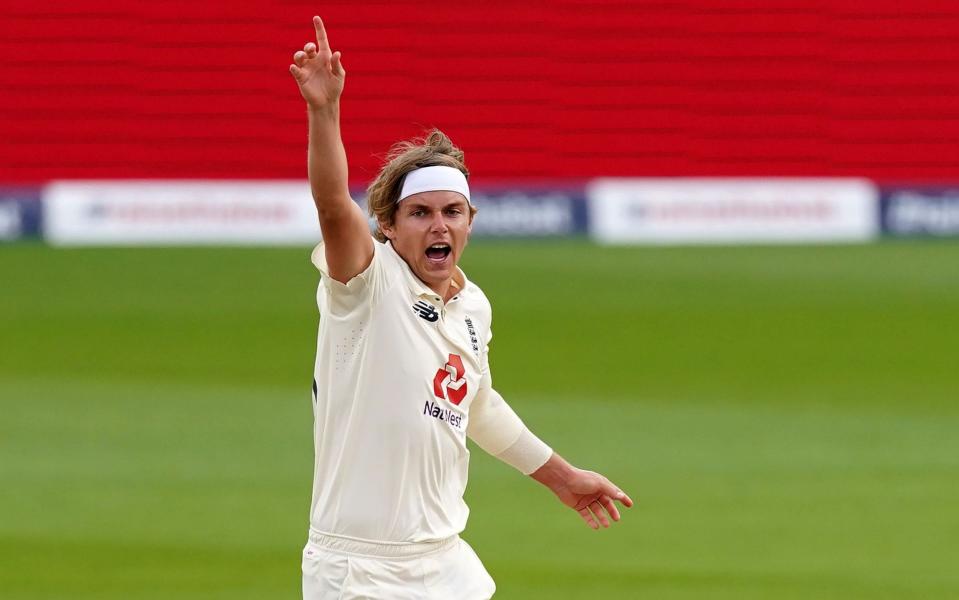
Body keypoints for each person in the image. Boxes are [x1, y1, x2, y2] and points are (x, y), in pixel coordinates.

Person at [289, 16, 634, 600]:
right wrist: (324, 111)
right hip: (358, 570)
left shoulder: (472, 306)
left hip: (446, 562)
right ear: (389, 227)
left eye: (452, 210)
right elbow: (330, 206)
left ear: (471, 222)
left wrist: (561, 477)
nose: (438, 224)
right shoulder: (366, 284)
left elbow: (474, 403)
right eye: (420, 213)